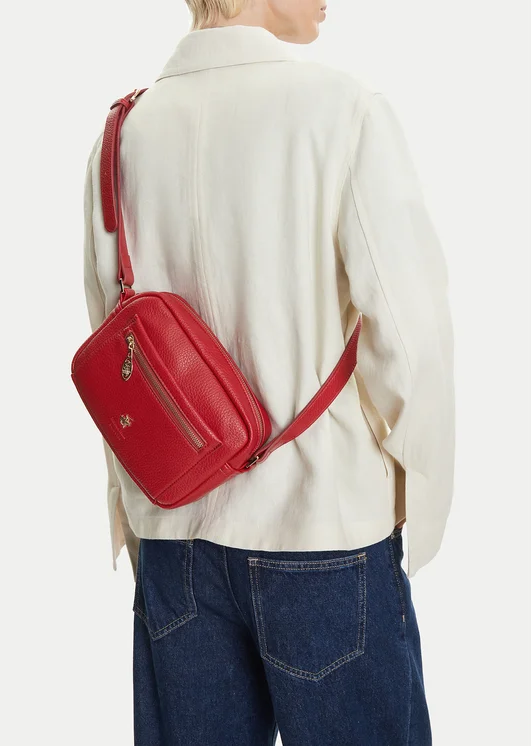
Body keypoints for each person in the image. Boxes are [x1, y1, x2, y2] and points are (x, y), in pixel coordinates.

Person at [82, 1, 455, 743]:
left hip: (174, 541)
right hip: (323, 527)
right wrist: (416, 498)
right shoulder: (342, 111)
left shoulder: (121, 135)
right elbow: (409, 335)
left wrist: (135, 512)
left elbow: (113, 352)